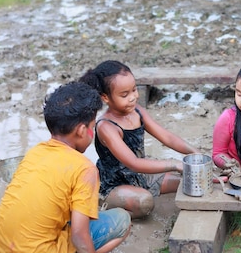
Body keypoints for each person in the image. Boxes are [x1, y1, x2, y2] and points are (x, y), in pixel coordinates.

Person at [0, 82, 133, 253]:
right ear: (82, 130)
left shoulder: (36, 151)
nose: (92, 132)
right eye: (92, 127)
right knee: (122, 220)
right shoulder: (84, 169)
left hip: (3, 247)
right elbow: (79, 236)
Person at [79, 60, 199, 219]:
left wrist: (195, 153)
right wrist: (175, 164)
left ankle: (138, 192)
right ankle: (105, 208)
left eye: (134, 90)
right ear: (105, 98)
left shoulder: (137, 111)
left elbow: (167, 137)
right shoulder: (106, 127)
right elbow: (133, 163)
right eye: (124, 94)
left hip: (141, 175)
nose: (133, 97)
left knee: (188, 182)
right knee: (144, 203)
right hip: (115, 184)